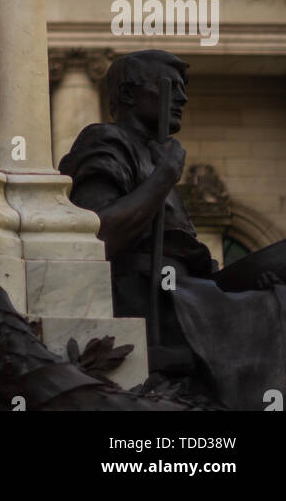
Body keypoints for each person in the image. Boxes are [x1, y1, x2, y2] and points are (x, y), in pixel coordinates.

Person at [59, 49, 286, 408]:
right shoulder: (106, 141)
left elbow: (198, 265)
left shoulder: (158, 155)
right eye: (169, 86)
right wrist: (164, 176)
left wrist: (252, 278)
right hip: (149, 297)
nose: (181, 97)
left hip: (185, 296)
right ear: (129, 95)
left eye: (183, 87)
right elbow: (95, 240)